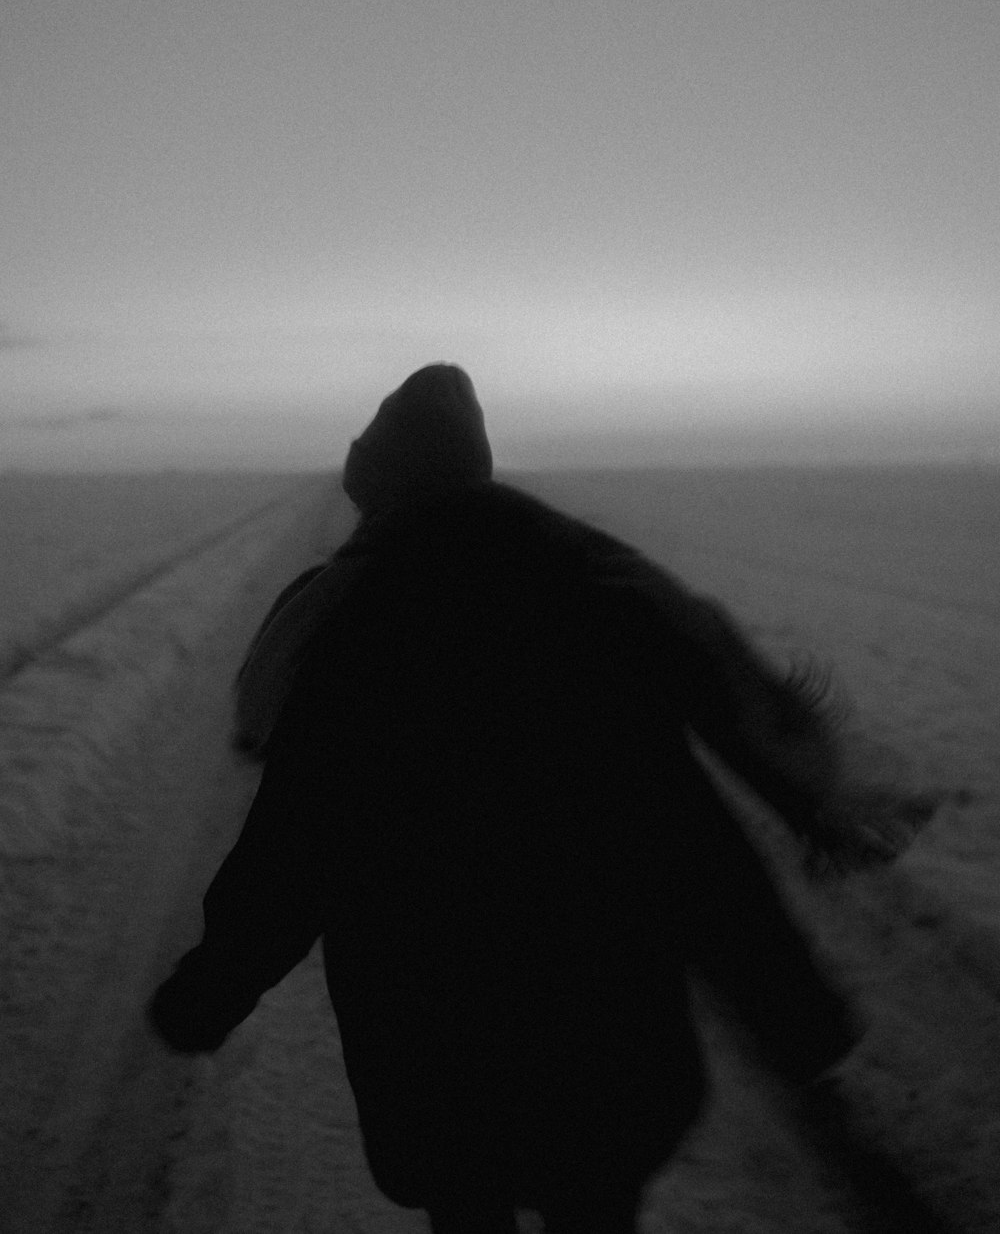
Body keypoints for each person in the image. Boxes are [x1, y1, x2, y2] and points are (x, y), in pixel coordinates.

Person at [148, 364, 927, 1233]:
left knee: (466, 1198)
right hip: (606, 1017)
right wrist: (786, 1001)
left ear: (379, 482)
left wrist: (212, 986)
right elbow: (688, 830)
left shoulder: (355, 621)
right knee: (595, 1198)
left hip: (434, 1025)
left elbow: (299, 842)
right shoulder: (589, 588)